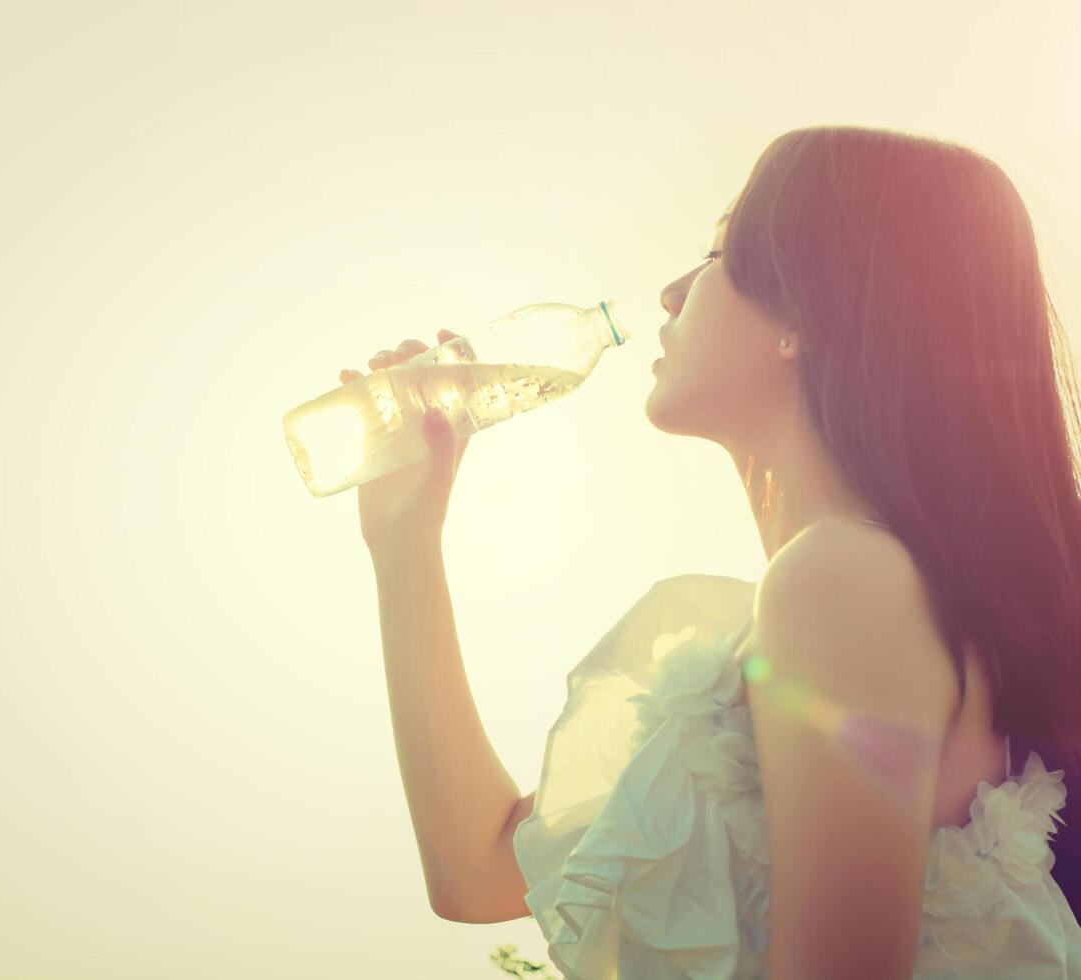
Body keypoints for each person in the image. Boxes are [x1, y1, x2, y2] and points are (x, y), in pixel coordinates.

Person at [339, 125, 1081, 977]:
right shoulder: (839, 596)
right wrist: (404, 545)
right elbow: (476, 874)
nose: (669, 292)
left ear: (802, 311)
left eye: (719, 252)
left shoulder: (842, 582)